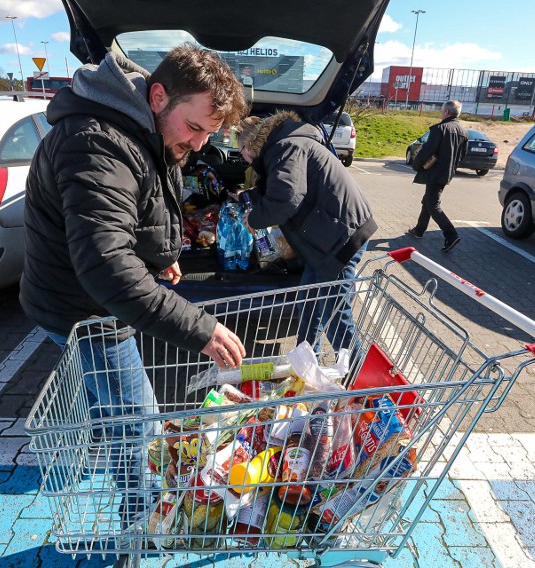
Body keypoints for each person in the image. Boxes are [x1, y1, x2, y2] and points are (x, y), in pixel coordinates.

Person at [19, 44, 248, 528]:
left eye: (210, 133)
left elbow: (131, 211)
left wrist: (158, 258)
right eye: (196, 128)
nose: (201, 144)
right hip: (86, 310)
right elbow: (106, 266)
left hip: (94, 299)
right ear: (159, 95)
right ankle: (140, 526)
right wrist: (200, 329)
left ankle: (140, 512)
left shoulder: (146, 129)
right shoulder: (95, 142)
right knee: (137, 426)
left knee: (126, 415)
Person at [237, 110, 377, 357]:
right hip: (326, 237)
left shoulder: (286, 146)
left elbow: (286, 199)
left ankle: (358, 379)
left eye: (241, 151)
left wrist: (255, 218)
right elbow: (277, 185)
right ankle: (304, 361)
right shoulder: (286, 145)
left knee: (335, 315)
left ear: (250, 144)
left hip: (339, 237)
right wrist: (249, 198)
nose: (242, 158)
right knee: (309, 302)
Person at [408, 100, 468, 252]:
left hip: (434, 172)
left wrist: (416, 165)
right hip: (447, 173)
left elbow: (426, 151)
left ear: (446, 112)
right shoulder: (463, 131)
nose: (442, 113)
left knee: (433, 204)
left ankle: (451, 235)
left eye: (442, 111)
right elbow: (462, 155)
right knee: (428, 200)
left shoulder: (440, 128)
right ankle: (419, 230)